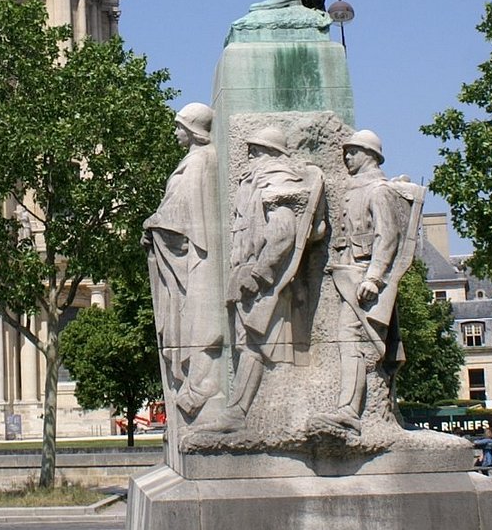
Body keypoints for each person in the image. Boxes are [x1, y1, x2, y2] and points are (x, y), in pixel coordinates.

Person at [205, 127, 326, 430]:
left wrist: (259, 273)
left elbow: (284, 234)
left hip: (264, 280)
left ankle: (245, 414)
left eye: (254, 151)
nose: (249, 158)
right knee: (253, 344)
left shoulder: (277, 179)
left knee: (261, 345)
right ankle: (250, 413)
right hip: (248, 273)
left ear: (267, 153)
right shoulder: (255, 182)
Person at [142, 103, 223, 419]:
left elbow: (181, 212)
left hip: (195, 257)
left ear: (192, 131)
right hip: (190, 254)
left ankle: (201, 387)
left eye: (180, 127)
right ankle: (197, 385)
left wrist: (153, 225)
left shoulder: (199, 162)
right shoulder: (196, 161)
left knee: (196, 324)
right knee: (192, 324)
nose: (175, 133)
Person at [327, 130, 406, 432]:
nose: (347, 157)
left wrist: (374, 277)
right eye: (347, 152)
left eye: (354, 151)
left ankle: (350, 409)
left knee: (352, 340)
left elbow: (387, 238)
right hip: (349, 273)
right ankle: (352, 407)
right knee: (352, 340)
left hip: (365, 279)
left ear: (370, 155)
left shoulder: (379, 190)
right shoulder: (355, 188)